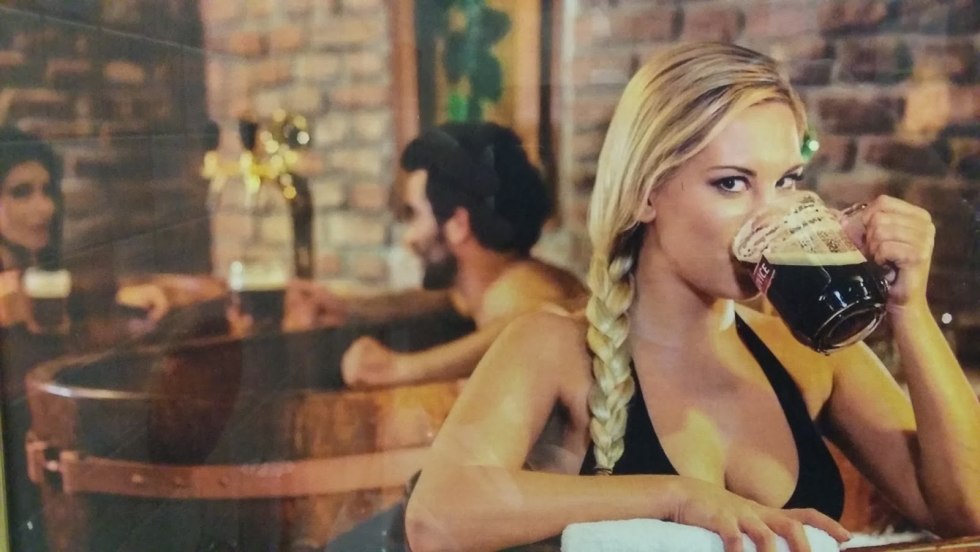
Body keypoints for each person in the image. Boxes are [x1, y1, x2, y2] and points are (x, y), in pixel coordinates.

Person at [403, 42, 980, 551]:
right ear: (646, 194)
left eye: (786, 182)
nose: (770, 216)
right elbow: (437, 518)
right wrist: (676, 498)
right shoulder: (554, 347)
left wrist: (909, 308)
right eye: (731, 183)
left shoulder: (809, 356)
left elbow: (967, 513)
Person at [293, 121, 586, 389]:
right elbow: (442, 299)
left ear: (458, 224)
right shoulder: (490, 281)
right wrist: (348, 306)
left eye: (415, 215)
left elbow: (536, 321)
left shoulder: (520, 292)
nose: (409, 239)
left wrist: (399, 369)